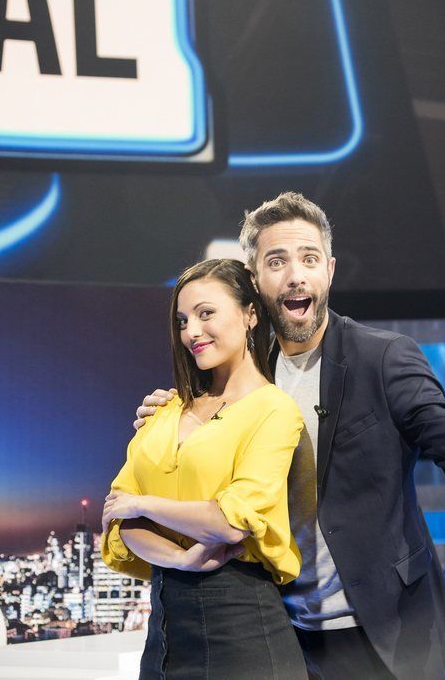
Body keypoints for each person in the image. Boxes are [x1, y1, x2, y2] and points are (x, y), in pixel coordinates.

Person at [136, 192, 445, 680]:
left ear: (328, 271)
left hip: (387, 634)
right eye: (277, 261)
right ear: (254, 280)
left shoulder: (384, 357)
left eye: (309, 259)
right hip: (281, 635)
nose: (295, 275)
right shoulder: (241, 378)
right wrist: (170, 424)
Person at [102, 258, 308, 680]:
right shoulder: (166, 409)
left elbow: (229, 523)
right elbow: (119, 518)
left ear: (250, 314)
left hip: (241, 631)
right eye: (182, 321)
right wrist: (181, 559)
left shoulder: (274, 409)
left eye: (205, 313)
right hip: (163, 636)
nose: (191, 332)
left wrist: (143, 503)